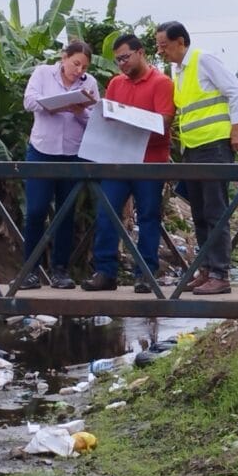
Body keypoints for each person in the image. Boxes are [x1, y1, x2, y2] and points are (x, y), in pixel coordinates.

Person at [154, 21, 238, 295]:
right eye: (158, 46)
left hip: (214, 147)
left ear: (180, 41)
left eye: (164, 45)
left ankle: (220, 273)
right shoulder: (178, 71)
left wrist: (236, 129)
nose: (161, 51)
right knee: (200, 213)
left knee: (216, 212)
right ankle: (206, 269)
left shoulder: (203, 60)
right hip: (193, 150)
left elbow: (235, 91)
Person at [81, 34, 175, 293]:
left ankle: (145, 274)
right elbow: (110, 118)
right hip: (119, 158)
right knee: (106, 212)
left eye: (125, 57)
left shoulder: (161, 82)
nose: (121, 64)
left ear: (140, 53)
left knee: (148, 216)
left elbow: (164, 121)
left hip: (150, 160)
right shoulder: (115, 83)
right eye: (117, 60)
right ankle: (105, 271)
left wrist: (132, 120)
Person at [15, 40, 100, 290]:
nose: (79, 70)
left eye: (83, 67)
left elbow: (95, 121)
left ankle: (60, 271)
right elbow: (29, 102)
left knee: (65, 213)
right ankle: (30, 270)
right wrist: (58, 102)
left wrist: (78, 110)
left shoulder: (90, 84)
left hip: (72, 153)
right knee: (36, 211)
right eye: (76, 63)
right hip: (42, 150)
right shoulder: (42, 73)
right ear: (64, 57)